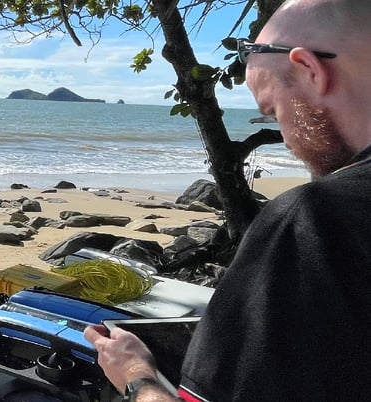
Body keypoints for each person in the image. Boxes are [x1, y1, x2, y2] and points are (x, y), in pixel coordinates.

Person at [84, 0, 371, 400]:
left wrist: (134, 374)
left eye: (273, 112)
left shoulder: (315, 221)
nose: (286, 140)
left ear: (310, 70)